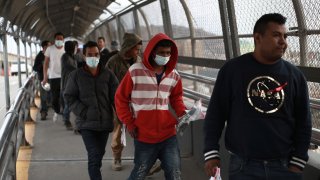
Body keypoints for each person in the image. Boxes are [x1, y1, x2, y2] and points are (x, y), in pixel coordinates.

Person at [203, 13, 312, 180]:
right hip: (243, 167)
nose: (283, 41)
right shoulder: (233, 70)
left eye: (285, 36)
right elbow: (215, 114)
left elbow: (304, 122)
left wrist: (298, 162)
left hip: (285, 167)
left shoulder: (295, 76)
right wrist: (211, 152)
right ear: (258, 38)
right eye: (276, 35)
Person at [115, 33, 187, 180]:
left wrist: (182, 113)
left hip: (168, 134)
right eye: (161, 53)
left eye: (168, 53)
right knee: (139, 173)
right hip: (143, 135)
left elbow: (176, 97)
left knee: (175, 173)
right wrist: (129, 122)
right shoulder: (135, 71)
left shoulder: (174, 75)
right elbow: (120, 98)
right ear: (152, 52)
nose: (165, 56)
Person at [64, 41, 118, 180]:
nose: (93, 57)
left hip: (105, 122)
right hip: (86, 123)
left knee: (99, 154)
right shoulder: (76, 76)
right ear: (83, 55)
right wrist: (83, 112)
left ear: (99, 55)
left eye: (96, 54)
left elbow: (116, 97)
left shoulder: (108, 75)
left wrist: (121, 115)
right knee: (94, 157)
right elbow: (69, 96)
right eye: (90, 55)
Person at [106, 33, 142, 171]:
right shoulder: (113, 62)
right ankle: (117, 157)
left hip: (138, 102)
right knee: (118, 131)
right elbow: (107, 83)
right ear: (128, 47)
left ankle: (142, 161)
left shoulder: (139, 60)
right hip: (119, 102)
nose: (137, 52)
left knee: (140, 131)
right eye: (136, 49)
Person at [42, 32, 65, 122]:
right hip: (53, 76)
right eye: (57, 39)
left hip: (64, 76)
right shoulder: (50, 49)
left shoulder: (65, 49)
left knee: (64, 96)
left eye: (61, 39)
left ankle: (64, 113)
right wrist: (45, 77)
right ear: (55, 40)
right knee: (54, 98)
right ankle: (57, 110)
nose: (59, 40)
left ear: (63, 39)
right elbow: (46, 63)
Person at [60, 41, 77, 130]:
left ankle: (69, 120)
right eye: (73, 47)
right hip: (66, 84)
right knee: (68, 104)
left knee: (70, 103)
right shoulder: (65, 57)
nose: (75, 49)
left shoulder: (72, 57)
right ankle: (66, 120)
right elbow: (70, 67)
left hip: (72, 83)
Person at [33, 40, 51, 120]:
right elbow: (35, 68)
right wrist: (42, 64)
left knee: (52, 95)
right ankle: (43, 112)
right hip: (43, 79)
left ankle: (53, 106)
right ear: (44, 47)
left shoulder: (51, 55)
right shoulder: (39, 56)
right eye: (49, 46)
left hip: (52, 78)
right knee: (43, 96)